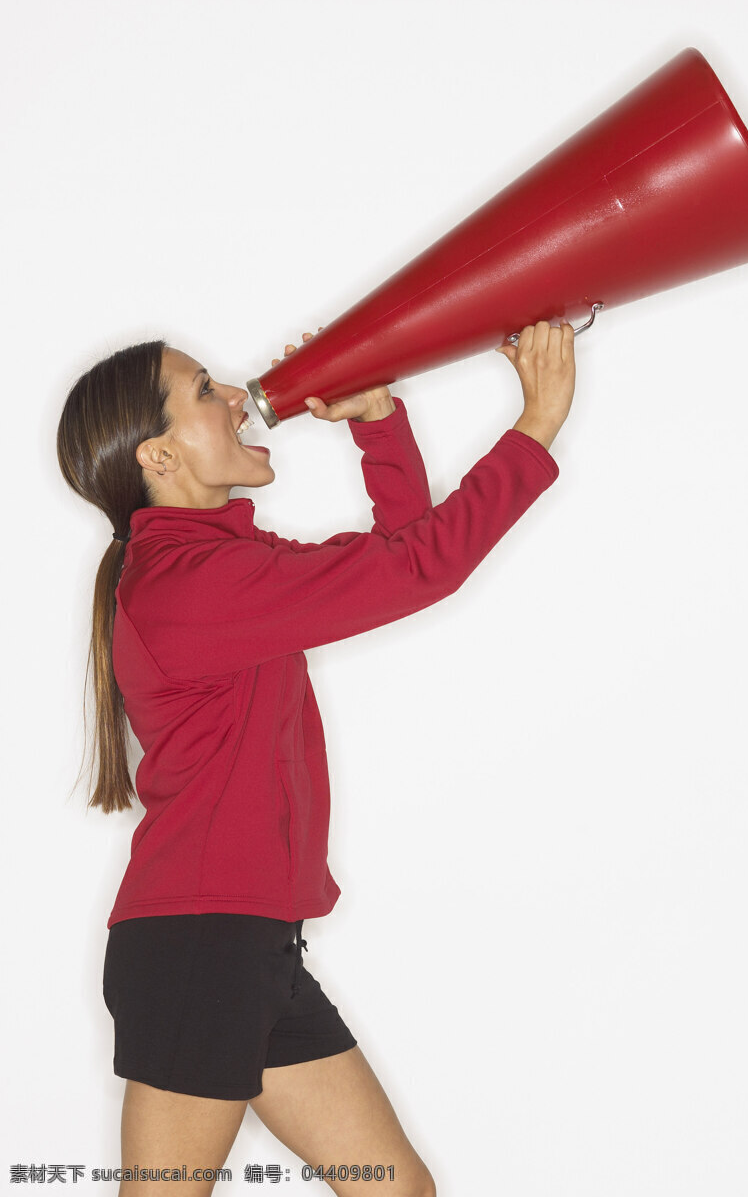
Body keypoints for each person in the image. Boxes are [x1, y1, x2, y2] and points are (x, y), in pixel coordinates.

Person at [55, 320, 575, 1194]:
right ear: (159, 457)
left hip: (251, 946)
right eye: (205, 393)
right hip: (199, 948)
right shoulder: (192, 588)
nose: (238, 398)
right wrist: (538, 424)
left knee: (396, 1189)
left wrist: (377, 419)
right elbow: (421, 570)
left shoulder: (228, 564)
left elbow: (403, 558)